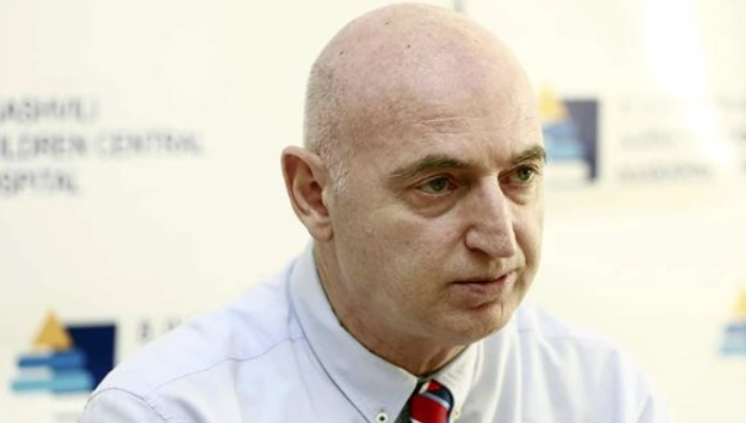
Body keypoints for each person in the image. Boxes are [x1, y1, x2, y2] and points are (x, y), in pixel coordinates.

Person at [79, 3, 669, 422]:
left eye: (520, 176)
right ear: (314, 194)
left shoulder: (604, 395)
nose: (500, 239)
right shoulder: (167, 411)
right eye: (439, 184)